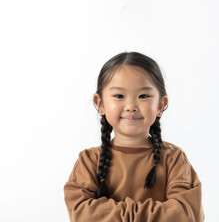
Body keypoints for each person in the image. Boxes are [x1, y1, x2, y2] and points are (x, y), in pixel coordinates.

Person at [63, 52, 205, 222]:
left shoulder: (174, 159)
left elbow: (186, 214)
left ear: (161, 105)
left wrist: (112, 214)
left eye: (143, 96)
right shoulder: (88, 161)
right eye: (119, 96)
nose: (131, 106)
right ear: (100, 104)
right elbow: (82, 214)